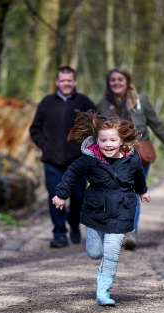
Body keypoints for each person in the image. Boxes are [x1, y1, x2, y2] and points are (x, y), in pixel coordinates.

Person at [52, 111, 150, 306]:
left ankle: (103, 290)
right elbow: (71, 173)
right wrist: (62, 194)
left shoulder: (132, 159)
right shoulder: (89, 159)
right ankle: (102, 266)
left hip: (122, 210)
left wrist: (143, 191)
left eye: (112, 140)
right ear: (96, 140)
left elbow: (138, 176)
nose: (108, 144)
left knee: (112, 251)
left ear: (121, 140)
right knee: (95, 252)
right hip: (95, 210)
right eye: (103, 140)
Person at [96, 67, 164, 250]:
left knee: (133, 194)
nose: (117, 83)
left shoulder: (141, 101)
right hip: (112, 157)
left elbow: (156, 124)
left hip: (139, 155)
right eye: (113, 80)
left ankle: (129, 232)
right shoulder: (102, 105)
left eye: (120, 79)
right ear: (108, 83)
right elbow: (95, 133)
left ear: (127, 81)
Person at [30, 66, 97, 248]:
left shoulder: (84, 102)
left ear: (74, 82)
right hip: (52, 160)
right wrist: (45, 145)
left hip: (78, 160)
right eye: (62, 80)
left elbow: (98, 127)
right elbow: (35, 129)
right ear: (57, 82)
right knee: (55, 196)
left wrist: (87, 148)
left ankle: (74, 224)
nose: (66, 84)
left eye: (69, 80)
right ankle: (59, 233)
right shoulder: (47, 102)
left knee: (78, 197)